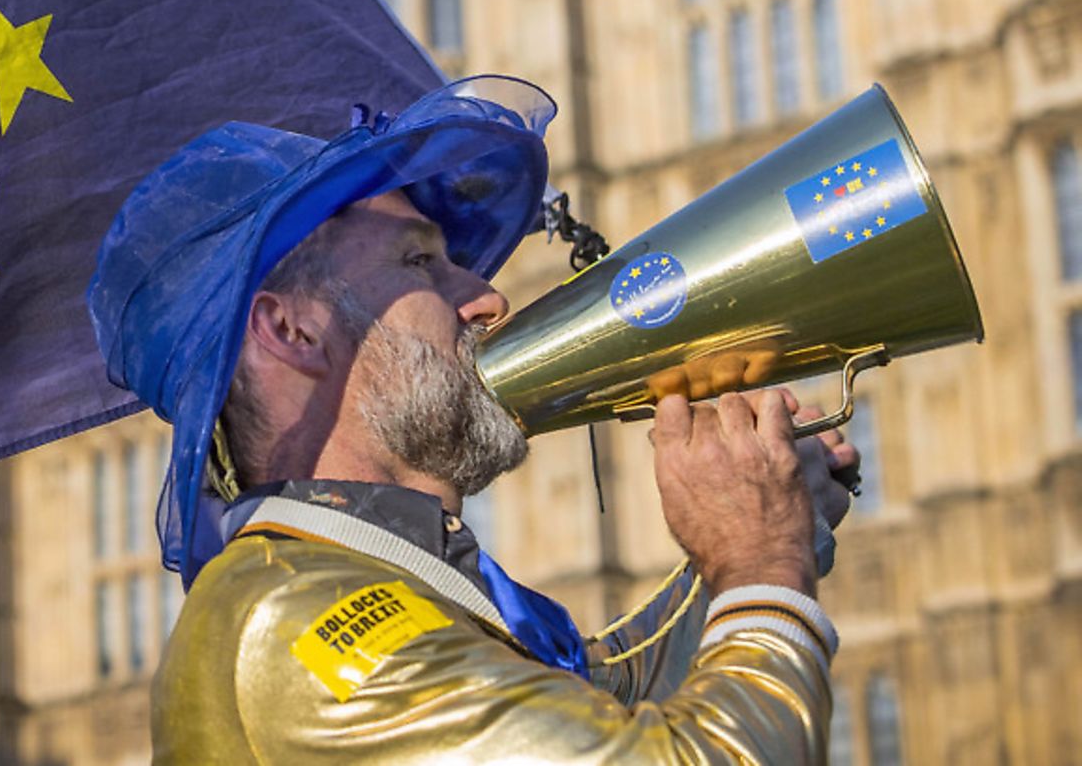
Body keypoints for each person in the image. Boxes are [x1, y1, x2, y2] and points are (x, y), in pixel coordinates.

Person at [86, 76, 861, 763]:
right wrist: (762, 562)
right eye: (421, 264)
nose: (489, 300)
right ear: (292, 332)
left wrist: (769, 529)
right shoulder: (291, 628)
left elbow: (596, 708)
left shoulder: (374, 577)